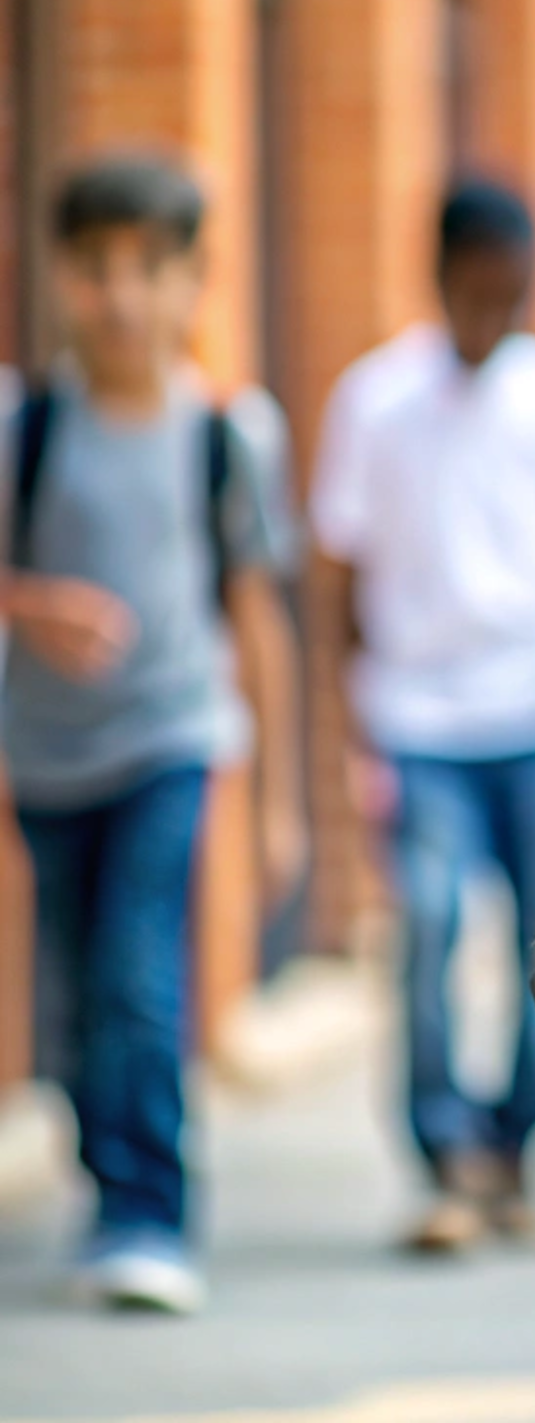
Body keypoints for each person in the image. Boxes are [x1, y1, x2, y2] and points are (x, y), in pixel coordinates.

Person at [1, 155, 303, 1315]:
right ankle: (107, 1176)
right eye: (95, 269)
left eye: (148, 270)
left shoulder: (228, 434)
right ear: (60, 276)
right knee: (73, 990)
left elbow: (257, 615)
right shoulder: (24, 427)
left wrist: (277, 801)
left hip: (172, 737)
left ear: (192, 283)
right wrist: (36, 607)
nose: (120, 296)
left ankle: (148, 1213)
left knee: (135, 970)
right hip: (46, 750)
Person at [311, 180, 535, 1254]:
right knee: (433, 929)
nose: (493, 309)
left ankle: (515, 1149)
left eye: (511, 289)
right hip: (418, 718)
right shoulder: (376, 399)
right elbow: (341, 573)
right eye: (475, 287)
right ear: (439, 275)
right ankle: (445, 1155)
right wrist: (353, 724)